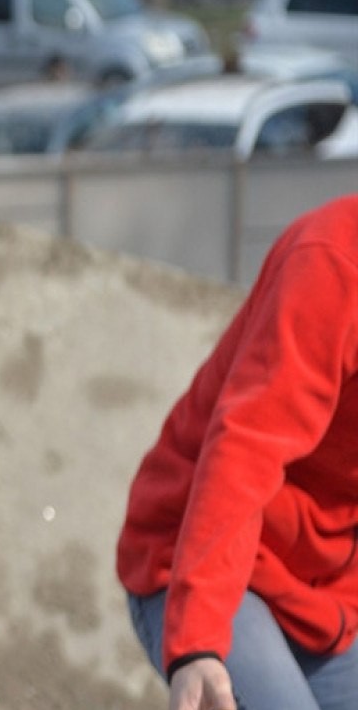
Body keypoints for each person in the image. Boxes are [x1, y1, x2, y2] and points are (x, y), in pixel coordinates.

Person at [116, 194, 358, 710]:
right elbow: (246, 451)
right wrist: (196, 644)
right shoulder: (333, 260)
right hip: (202, 559)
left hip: (325, 587)